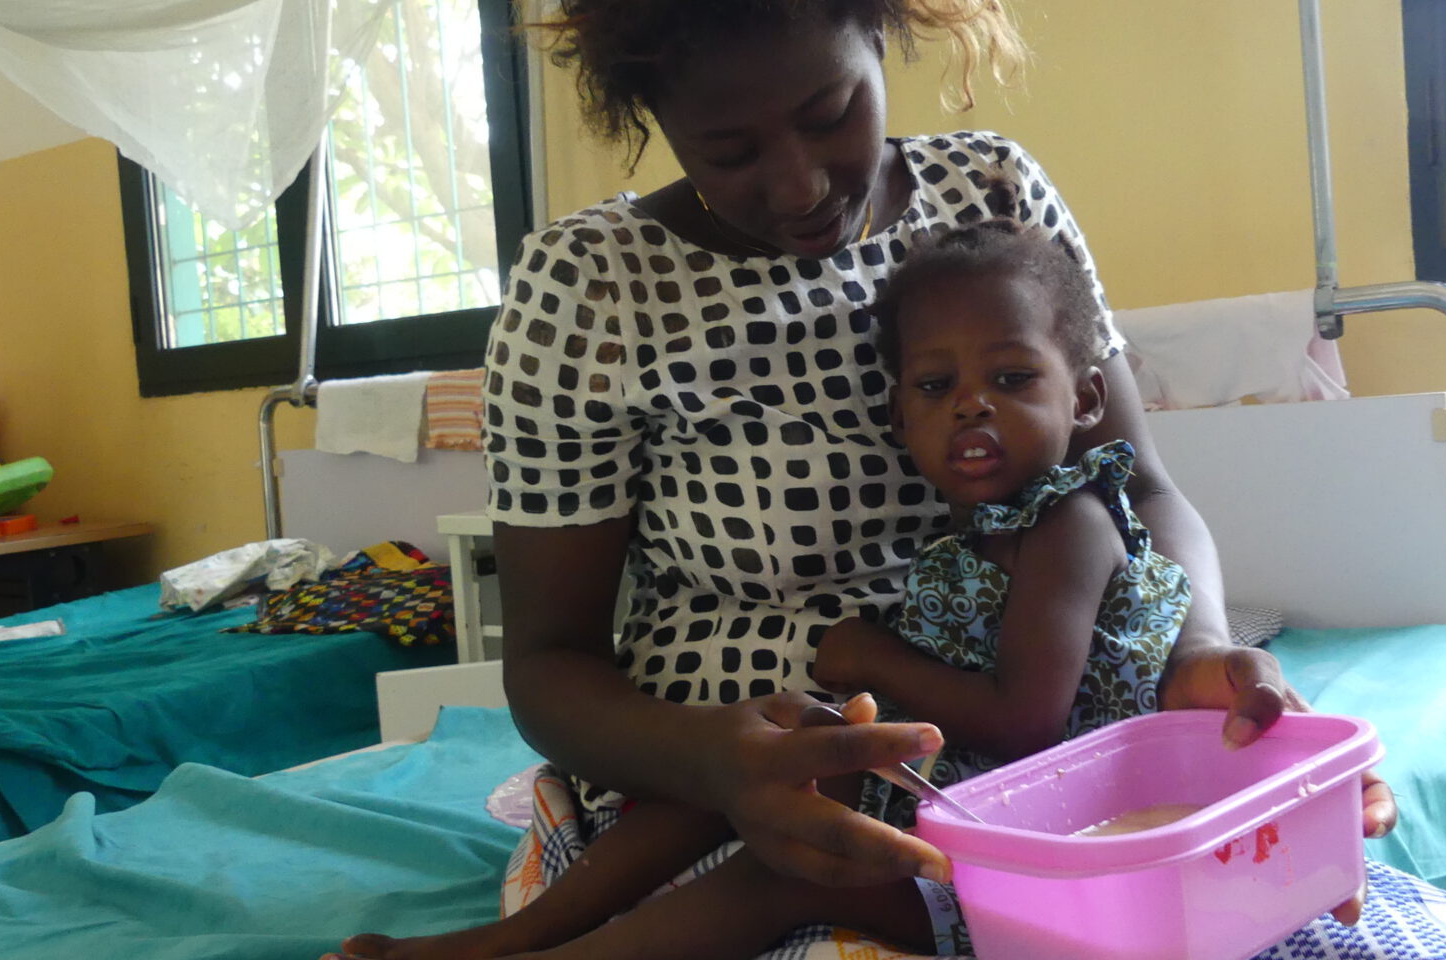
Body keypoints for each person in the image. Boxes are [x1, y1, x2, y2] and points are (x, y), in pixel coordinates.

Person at [330, 1, 1405, 958]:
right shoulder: (588, 290)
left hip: (982, 748)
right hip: (704, 753)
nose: (797, 184)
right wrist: (714, 759)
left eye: (830, 109)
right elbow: (548, 667)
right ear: (655, 118)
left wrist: (1202, 647)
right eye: (729, 147)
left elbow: (1141, 491)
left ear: (885, 31)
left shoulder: (991, 194)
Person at [338, 219, 1190, 960]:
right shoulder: (994, 528)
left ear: (1083, 399)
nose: (971, 406)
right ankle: (516, 932)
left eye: (1011, 380)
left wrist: (869, 658)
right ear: (900, 420)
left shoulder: (1067, 527)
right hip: (973, 797)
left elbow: (1026, 719)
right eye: (937, 388)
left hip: (1039, 869)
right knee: (745, 774)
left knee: (788, 872)